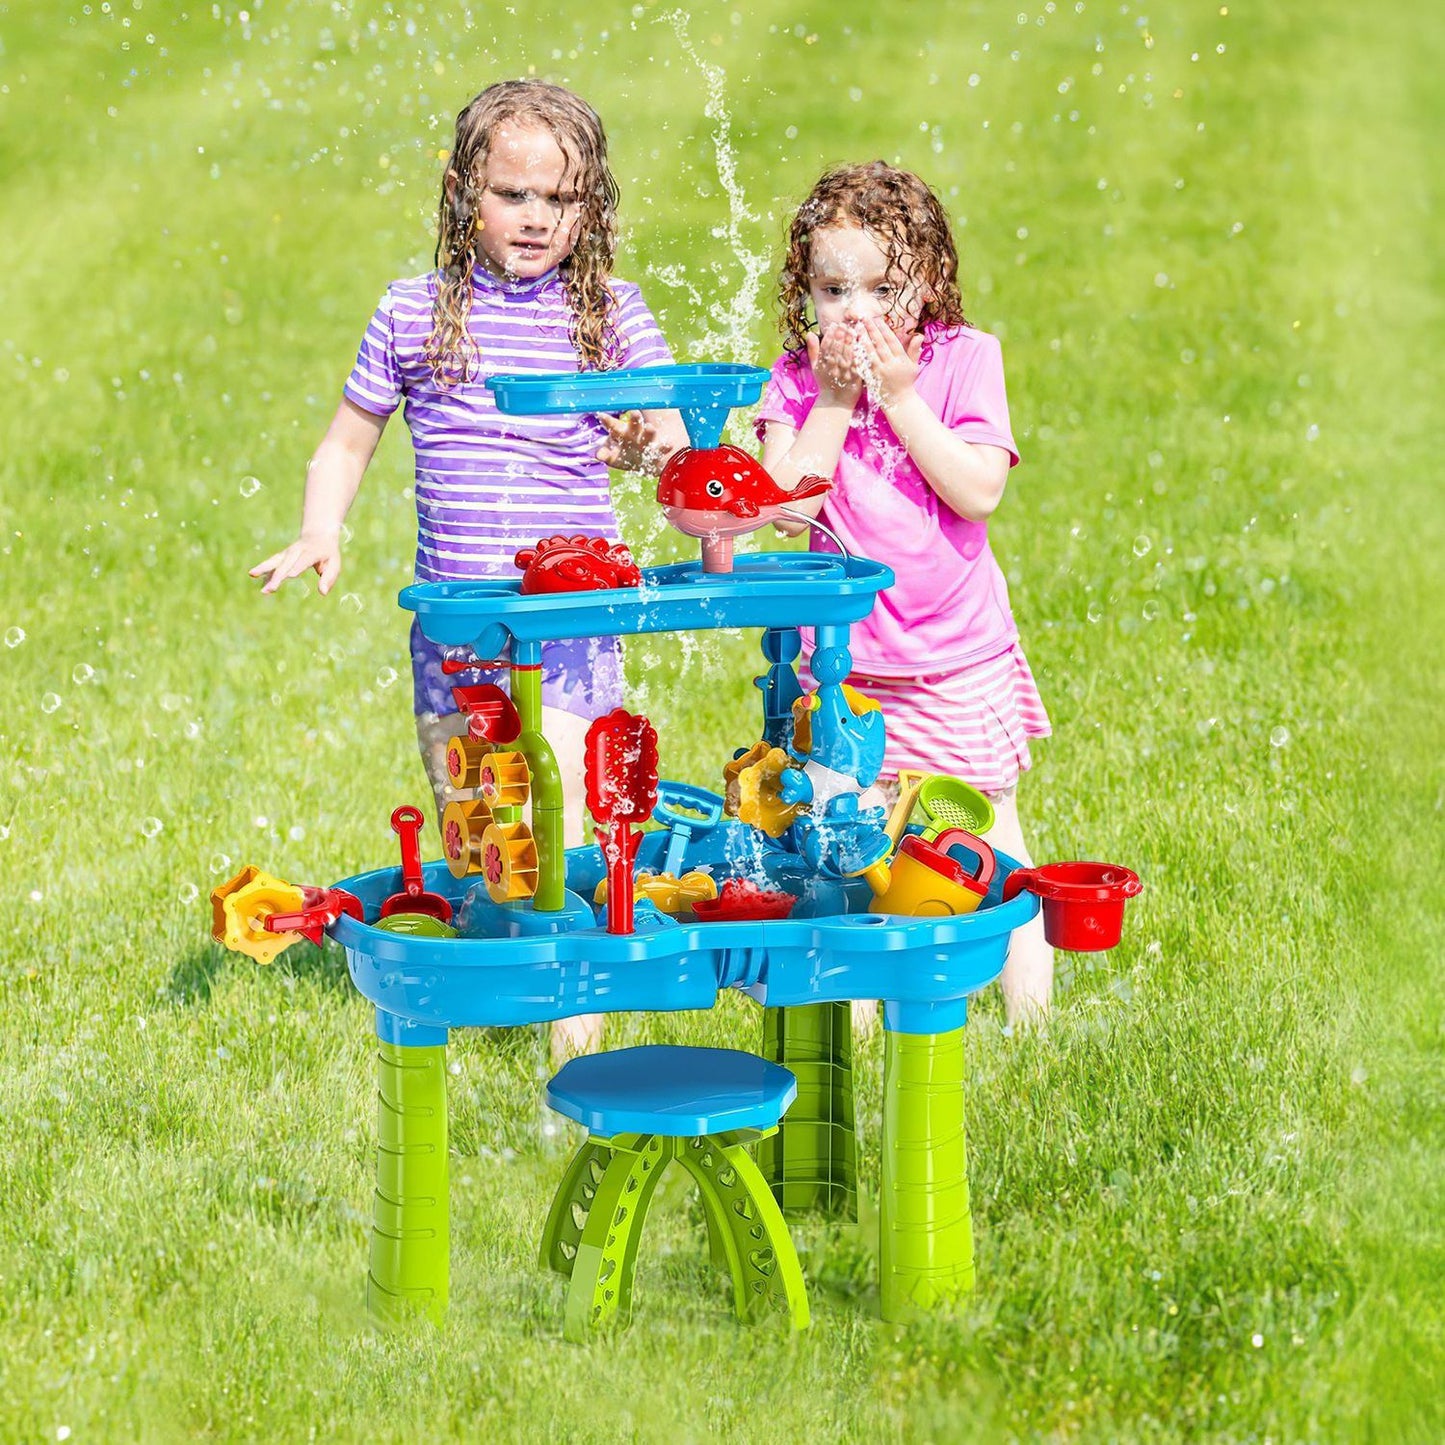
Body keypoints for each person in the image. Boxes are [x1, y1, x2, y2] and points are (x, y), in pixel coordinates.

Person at [250, 80, 687, 1061]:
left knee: (558, 834)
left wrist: (641, 444)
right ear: (460, 193)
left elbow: (669, 435)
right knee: (490, 840)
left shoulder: (608, 314)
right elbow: (347, 442)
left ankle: (577, 1050)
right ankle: (507, 998)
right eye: (512, 194)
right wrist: (322, 527)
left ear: (593, 205)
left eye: (561, 200)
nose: (536, 219)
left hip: (566, 631)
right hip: (455, 640)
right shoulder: (415, 311)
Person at [755, 161, 1053, 1027]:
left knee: (989, 840)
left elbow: (978, 491)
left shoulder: (965, 360)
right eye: (832, 288)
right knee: (847, 854)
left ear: (929, 284)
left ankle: (1031, 1024)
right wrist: (839, 402)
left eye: (881, 288)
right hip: (846, 669)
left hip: (955, 662)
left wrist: (899, 396)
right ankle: (852, 1022)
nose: (855, 310)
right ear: (803, 290)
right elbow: (783, 506)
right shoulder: (798, 380)